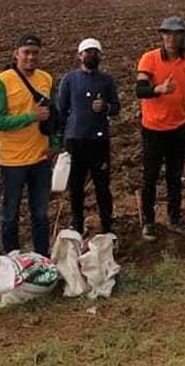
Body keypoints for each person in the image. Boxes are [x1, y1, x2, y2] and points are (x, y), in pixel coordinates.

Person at [0, 34, 58, 256]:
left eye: (35, 53)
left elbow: (53, 116)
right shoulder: (2, 81)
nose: (31, 57)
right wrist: (31, 117)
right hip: (13, 160)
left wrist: (55, 143)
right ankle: (12, 259)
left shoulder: (46, 79)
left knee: (40, 214)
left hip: (40, 158)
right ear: (16, 54)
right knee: (10, 213)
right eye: (26, 52)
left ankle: (42, 257)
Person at [136, 16, 185, 240]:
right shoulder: (149, 59)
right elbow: (140, 89)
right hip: (153, 129)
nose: (171, 39)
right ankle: (148, 221)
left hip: (179, 128)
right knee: (151, 177)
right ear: (161, 36)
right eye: (167, 34)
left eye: (176, 34)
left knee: (175, 176)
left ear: (182, 36)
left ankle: (175, 219)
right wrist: (159, 89)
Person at [57, 38, 120, 235]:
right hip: (76, 140)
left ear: (99, 56)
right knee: (76, 187)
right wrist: (62, 136)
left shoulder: (106, 80)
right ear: (79, 56)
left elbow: (116, 107)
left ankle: (107, 226)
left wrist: (106, 108)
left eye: (95, 52)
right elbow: (61, 109)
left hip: (99, 141)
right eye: (87, 52)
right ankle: (77, 225)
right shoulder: (69, 79)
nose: (91, 55)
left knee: (102, 187)